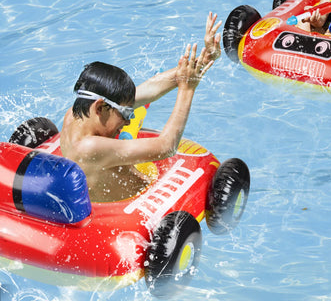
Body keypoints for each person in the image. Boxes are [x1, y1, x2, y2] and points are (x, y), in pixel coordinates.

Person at [60, 12, 222, 202]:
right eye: (125, 113)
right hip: (128, 208)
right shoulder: (88, 147)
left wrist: (203, 61)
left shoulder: (75, 114)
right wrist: (187, 90)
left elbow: (149, 88)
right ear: (101, 107)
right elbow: (166, 147)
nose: (128, 120)